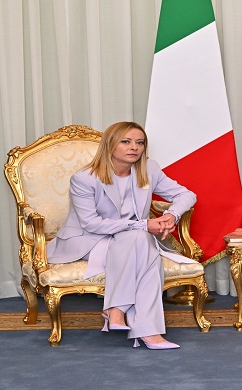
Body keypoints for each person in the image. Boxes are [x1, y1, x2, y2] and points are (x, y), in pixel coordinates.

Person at [46, 122, 198, 350]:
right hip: (90, 239)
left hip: (132, 238)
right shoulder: (85, 178)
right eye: (126, 141)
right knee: (142, 241)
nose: (134, 147)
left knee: (140, 240)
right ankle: (149, 331)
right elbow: (91, 223)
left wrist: (171, 215)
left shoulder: (149, 169)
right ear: (110, 145)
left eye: (140, 142)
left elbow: (187, 194)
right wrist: (143, 224)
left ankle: (115, 309)